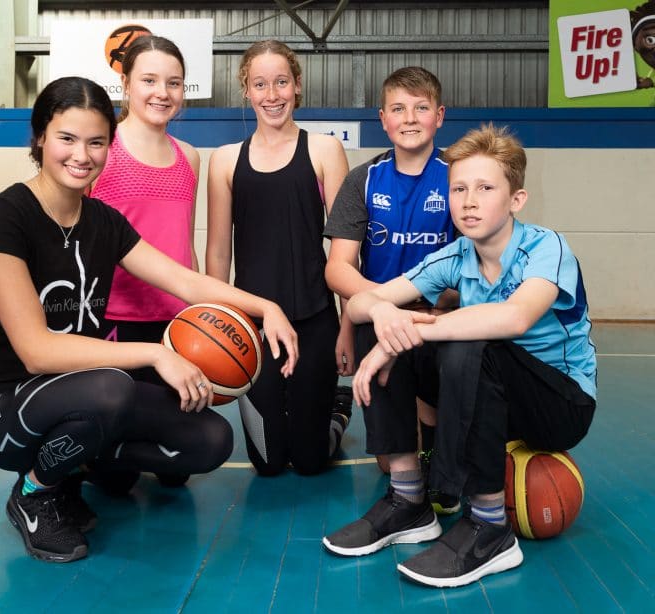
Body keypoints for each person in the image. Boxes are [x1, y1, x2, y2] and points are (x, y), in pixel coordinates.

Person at [0, 76, 298, 563]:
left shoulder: (104, 222)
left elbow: (184, 281)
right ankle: (35, 493)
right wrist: (156, 354)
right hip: (2, 408)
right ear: (39, 137)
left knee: (209, 439)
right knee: (112, 386)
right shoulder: (2, 218)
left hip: (82, 393)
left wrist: (266, 307)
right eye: (67, 138)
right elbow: (36, 352)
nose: (82, 155)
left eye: (96, 142)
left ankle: (72, 469)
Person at [329, 124, 596, 587]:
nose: (469, 201)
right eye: (459, 189)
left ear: (516, 199)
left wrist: (409, 330)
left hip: (560, 405)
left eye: (485, 188)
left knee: (466, 339)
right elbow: (359, 303)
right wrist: (385, 317)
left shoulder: (545, 247)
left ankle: (490, 527)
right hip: (491, 396)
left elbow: (514, 318)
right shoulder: (455, 256)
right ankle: (408, 500)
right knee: (383, 321)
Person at [206, 39, 351, 477]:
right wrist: (216, 326)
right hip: (252, 328)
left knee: (309, 462)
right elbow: (218, 252)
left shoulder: (325, 150)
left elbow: (346, 249)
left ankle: (336, 411)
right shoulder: (225, 160)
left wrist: (348, 326)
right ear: (246, 90)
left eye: (281, 82)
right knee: (268, 463)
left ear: (297, 85)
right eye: (260, 84)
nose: (272, 95)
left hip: (314, 319)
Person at [322, 66, 459, 516]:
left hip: (441, 316)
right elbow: (339, 268)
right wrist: (354, 320)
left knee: (450, 377)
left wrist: (437, 308)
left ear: (440, 115)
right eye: (398, 109)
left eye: (421, 108)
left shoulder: (458, 177)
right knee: (388, 462)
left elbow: (478, 266)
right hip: (382, 315)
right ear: (383, 119)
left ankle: (434, 434)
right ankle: (411, 440)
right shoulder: (363, 179)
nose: (410, 118)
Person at [90, 35, 201, 488]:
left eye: (173, 83)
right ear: (125, 84)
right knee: (116, 484)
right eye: (149, 80)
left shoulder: (189, 157)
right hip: (115, 322)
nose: (162, 92)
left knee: (178, 473)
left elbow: (185, 243)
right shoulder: (101, 150)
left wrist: (199, 315)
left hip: (174, 326)